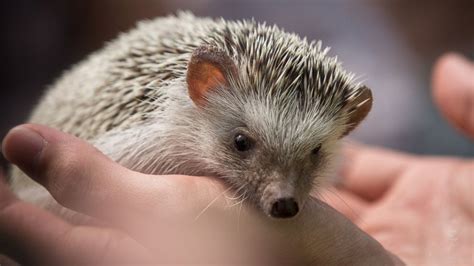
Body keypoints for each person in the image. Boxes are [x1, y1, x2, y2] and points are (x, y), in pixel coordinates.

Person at [0, 53, 472, 265]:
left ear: (347, 128)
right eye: (243, 145)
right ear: (203, 89)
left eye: (310, 157)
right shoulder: (162, 133)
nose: (284, 193)